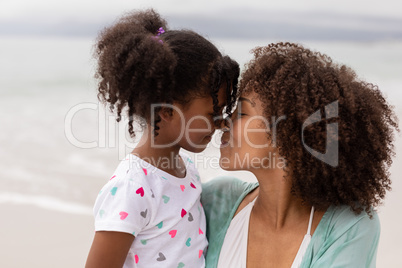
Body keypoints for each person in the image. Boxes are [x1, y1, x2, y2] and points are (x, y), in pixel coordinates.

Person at [202, 42, 399, 267]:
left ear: (289, 132)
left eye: (242, 113)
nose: (222, 124)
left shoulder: (349, 226)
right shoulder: (215, 201)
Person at [85, 9, 239, 268]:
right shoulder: (131, 188)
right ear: (167, 112)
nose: (220, 123)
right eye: (212, 113)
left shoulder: (185, 169)